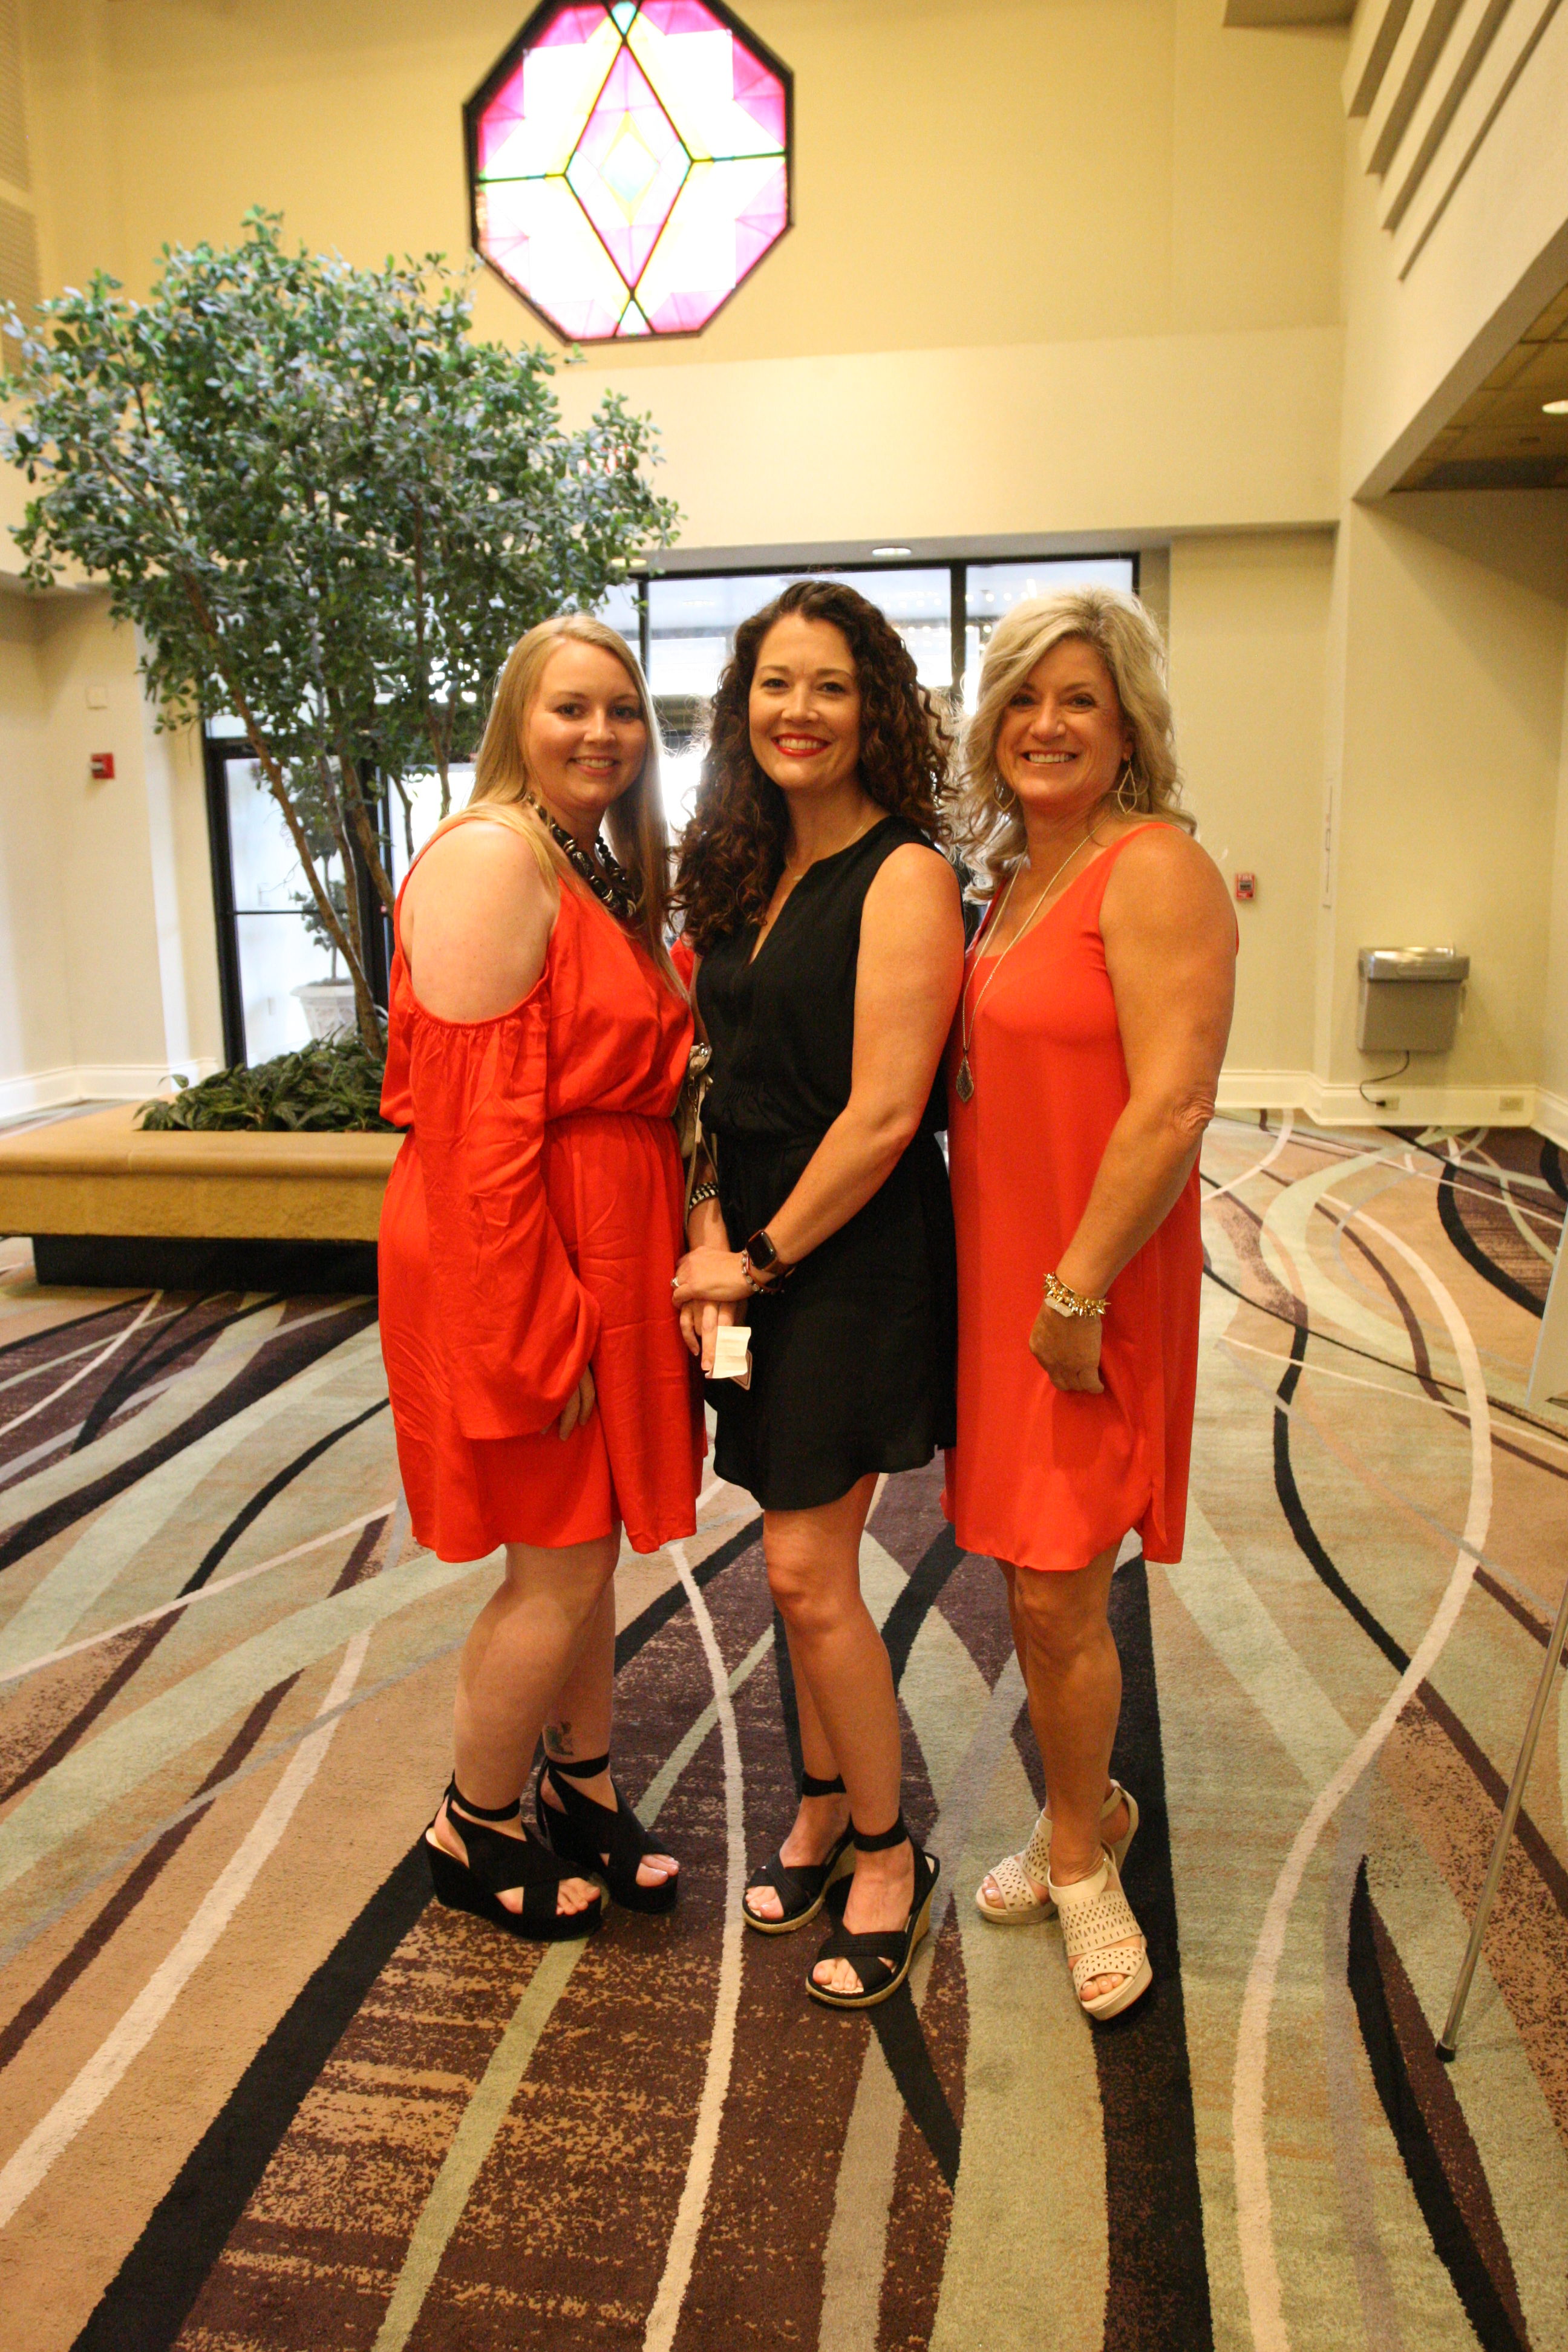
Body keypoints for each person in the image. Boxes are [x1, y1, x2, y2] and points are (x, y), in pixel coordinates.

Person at [379, 613, 701, 1941]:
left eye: (623, 709)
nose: (602, 732)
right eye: (571, 706)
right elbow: (474, 1134)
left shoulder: (589, 864)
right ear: (518, 719)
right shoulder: (492, 857)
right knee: (556, 1561)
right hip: (523, 1240)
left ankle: (580, 1784)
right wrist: (533, 1323)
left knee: (591, 1542)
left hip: (603, 1231)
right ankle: (476, 1821)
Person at [670, 578, 965, 2011]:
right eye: (776, 685)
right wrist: (709, 1227)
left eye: (831, 686)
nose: (800, 711)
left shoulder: (905, 875)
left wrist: (759, 1259)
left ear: (875, 709)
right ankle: (820, 1805)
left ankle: (890, 1853)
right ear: (744, 708)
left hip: (848, 1256)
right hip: (751, 1243)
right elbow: (716, 1075)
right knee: (794, 1560)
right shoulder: (744, 867)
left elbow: (887, 1114)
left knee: (803, 1568)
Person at [945, 586, 1234, 2022]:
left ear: (1130, 729)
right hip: (1006, 1269)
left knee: (1060, 1584)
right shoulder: (1017, 877)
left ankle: (1079, 1858)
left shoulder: (1155, 867)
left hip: (1087, 1278)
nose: (1046, 724)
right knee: (1025, 1574)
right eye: (1023, 698)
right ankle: (1089, 1802)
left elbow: (1174, 1103)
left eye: (1080, 701)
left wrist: (1076, 1290)